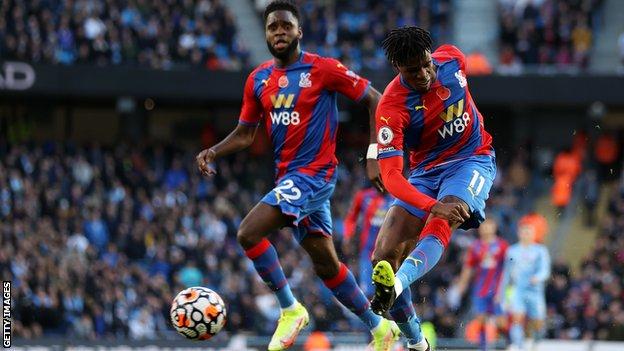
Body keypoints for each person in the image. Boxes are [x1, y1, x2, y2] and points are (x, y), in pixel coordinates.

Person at [195, 1, 398, 350]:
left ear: (298, 31)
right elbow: (246, 133)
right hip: (288, 179)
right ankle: (380, 328)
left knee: (247, 232)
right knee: (326, 265)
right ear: (265, 33)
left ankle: (290, 309)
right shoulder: (258, 79)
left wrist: (375, 153)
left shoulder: (323, 69)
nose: (279, 33)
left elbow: (376, 100)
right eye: (273, 27)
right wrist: (214, 150)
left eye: (286, 26)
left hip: (315, 176)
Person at [367, 26, 496, 351]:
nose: (425, 74)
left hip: (472, 160)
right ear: (398, 68)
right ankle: (415, 340)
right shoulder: (392, 107)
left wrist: (437, 208)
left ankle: (395, 286)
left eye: (427, 64)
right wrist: (429, 203)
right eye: (414, 70)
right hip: (425, 172)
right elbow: (394, 178)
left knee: (446, 214)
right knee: (382, 255)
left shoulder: (453, 60)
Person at [496, 220, 551, 351]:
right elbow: (506, 274)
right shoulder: (512, 251)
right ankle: (518, 346)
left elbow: (545, 270)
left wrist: (537, 277)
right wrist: (500, 293)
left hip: (534, 291)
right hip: (517, 290)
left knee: (538, 322)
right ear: (519, 233)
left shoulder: (540, 250)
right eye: (523, 232)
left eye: (528, 232)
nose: (526, 234)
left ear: (533, 234)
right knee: (517, 318)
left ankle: (536, 342)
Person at [455, 218, 509, 351]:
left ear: (494, 227)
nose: (485, 228)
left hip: (498, 289)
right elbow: (468, 267)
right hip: (480, 289)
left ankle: (511, 343)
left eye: (488, 226)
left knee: (502, 322)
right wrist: (462, 284)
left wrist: (506, 288)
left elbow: (508, 268)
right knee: (481, 319)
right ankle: (483, 347)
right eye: (483, 226)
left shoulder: (502, 245)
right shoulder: (475, 246)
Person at [343, 183, 393, 298]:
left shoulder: (396, 198)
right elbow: (351, 218)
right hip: (367, 253)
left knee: (389, 296)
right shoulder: (364, 196)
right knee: (368, 295)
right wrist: (347, 236)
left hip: (389, 255)